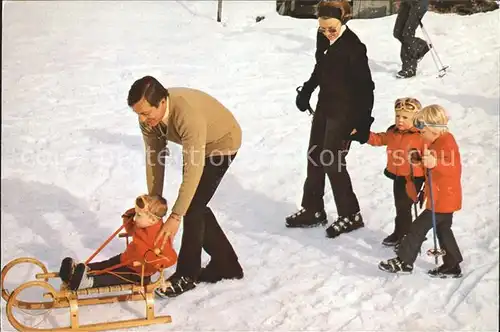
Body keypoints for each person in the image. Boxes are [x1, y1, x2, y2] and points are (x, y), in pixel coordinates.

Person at [127, 76, 243, 297]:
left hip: (222, 143)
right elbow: (155, 157)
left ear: (162, 102)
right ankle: (226, 264)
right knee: (194, 204)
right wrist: (154, 202)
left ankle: (186, 276)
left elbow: (193, 171)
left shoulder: (187, 115)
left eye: (145, 113)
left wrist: (175, 216)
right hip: (199, 144)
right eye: (138, 114)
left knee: (192, 207)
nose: (142, 119)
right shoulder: (150, 118)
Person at [286, 0, 375, 240]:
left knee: (331, 160)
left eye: (331, 29)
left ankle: (351, 214)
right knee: (315, 155)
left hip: (345, 112)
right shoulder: (323, 38)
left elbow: (366, 88)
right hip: (326, 106)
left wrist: (363, 122)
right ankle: (313, 209)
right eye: (322, 28)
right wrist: (307, 91)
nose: (326, 33)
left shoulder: (354, 48)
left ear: (343, 21)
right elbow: (320, 67)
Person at [379, 104, 463, 278]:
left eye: (422, 129)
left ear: (433, 129)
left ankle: (404, 261)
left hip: (443, 198)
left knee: (417, 228)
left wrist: (435, 163)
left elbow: (452, 167)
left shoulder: (447, 142)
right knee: (443, 230)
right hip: (440, 197)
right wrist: (419, 159)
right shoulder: (435, 141)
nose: (420, 133)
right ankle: (452, 264)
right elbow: (431, 162)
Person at [59, 194, 177, 291]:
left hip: (138, 273)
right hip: (126, 258)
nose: (135, 218)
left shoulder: (160, 236)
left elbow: (171, 258)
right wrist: (129, 216)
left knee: (111, 277)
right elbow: (131, 229)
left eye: (138, 215)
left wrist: (152, 259)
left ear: (152, 219)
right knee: (106, 265)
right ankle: (79, 270)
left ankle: (87, 282)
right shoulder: (143, 223)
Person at [361, 97, 426, 247]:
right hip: (398, 176)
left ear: (415, 119)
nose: (400, 120)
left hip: (414, 178)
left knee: (405, 206)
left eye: (405, 117)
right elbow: (379, 139)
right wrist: (363, 134)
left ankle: (407, 236)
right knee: (400, 206)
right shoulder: (393, 132)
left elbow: (429, 156)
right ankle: (399, 232)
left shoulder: (421, 136)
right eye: (398, 116)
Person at [393, 0, 431, 78]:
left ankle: (409, 68)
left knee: (407, 34)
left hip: (419, 2)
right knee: (398, 32)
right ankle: (421, 46)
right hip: (406, 2)